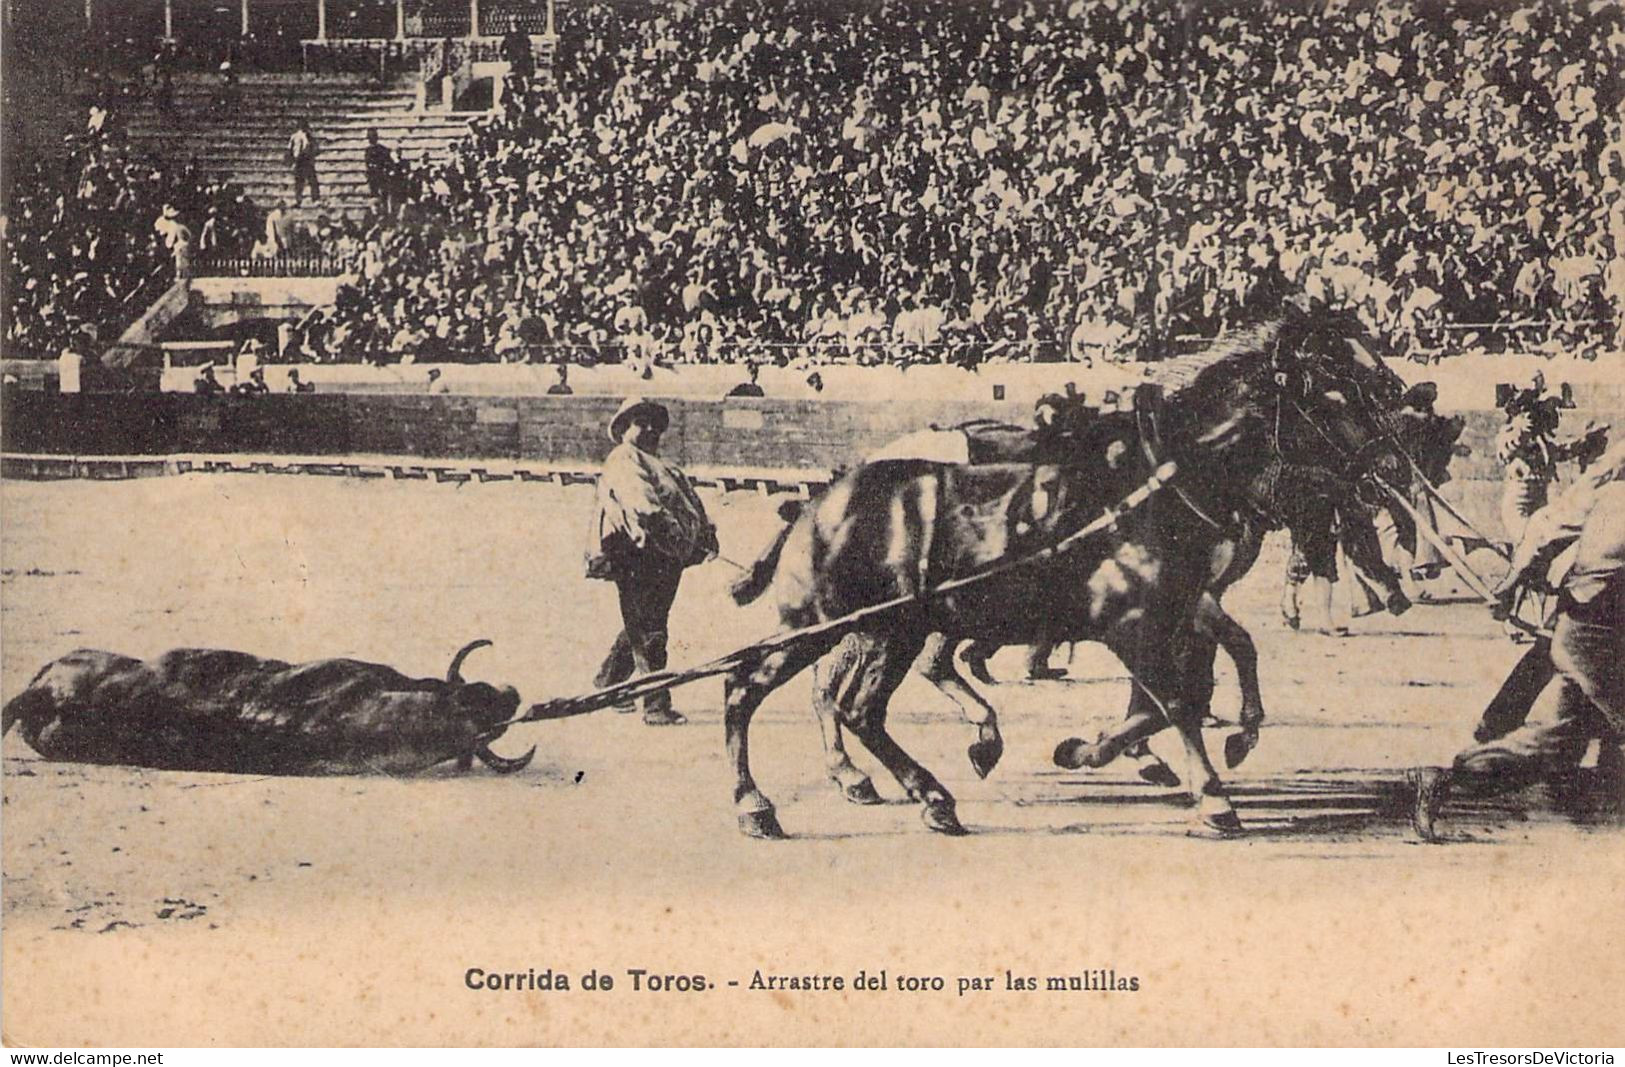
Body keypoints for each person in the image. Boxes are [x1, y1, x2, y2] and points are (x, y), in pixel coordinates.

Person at [1409, 442, 1625, 841]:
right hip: (1599, 636)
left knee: (1560, 740)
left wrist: (1509, 585)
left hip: (1575, 628)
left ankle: (1444, 779)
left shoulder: (1607, 494)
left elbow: (1545, 529)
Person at [586, 398, 718, 726]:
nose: (650, 429)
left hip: (664, 555)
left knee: (645, 619)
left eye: (654, 424)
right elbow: (644, 506)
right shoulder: (624, 458)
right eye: (641, 422)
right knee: (651, 628)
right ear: (624, 428)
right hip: (637, 553)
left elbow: (690, 503)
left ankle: (609, 683)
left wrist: (705, 535)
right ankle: (655, 704)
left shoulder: (661, 464)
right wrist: (677, 535)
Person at [364, 129, 395, 214]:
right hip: (373, 178)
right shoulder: (367, 150)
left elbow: (389, 163)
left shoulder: (383, 150)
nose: (370, 140)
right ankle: (375, 214)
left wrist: (386, 171)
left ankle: (385, 215)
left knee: (383, 197)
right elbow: (367, 164)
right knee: (374, 198)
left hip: (381, 177)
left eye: (372, 138)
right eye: (369, 138)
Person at [289, 119, 319, 204]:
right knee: (304, 181)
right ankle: (304, 199)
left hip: (303, 160)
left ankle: (305, 199)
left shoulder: (306, 137)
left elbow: (290, 150)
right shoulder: (298, 137)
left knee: (306, 181)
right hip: (303, 160)